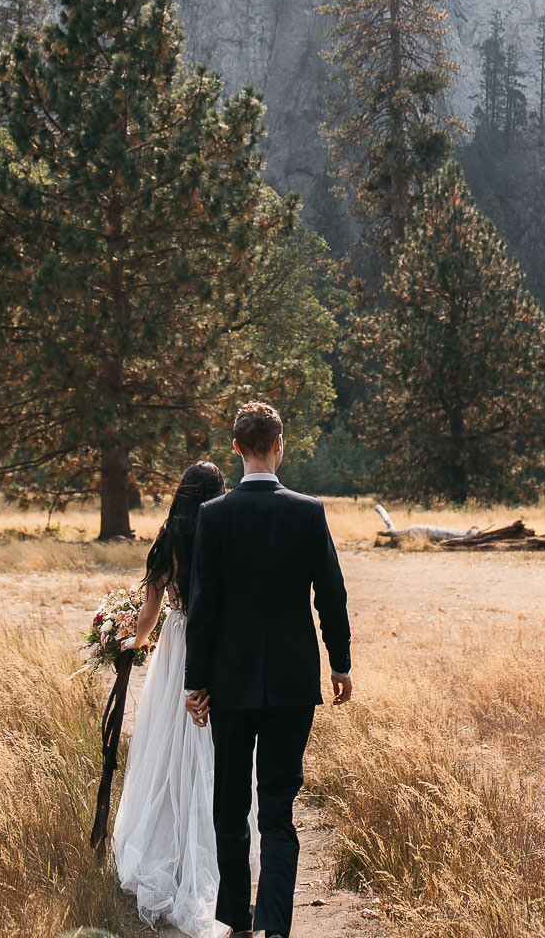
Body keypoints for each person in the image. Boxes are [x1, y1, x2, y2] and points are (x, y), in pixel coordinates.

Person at [184, 401, 352, 938]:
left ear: (236, 448)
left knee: (230, 806)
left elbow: (204, 605)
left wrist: (196, 680)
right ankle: (276, 925)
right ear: (281, 445)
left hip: (229, 687)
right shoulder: (308, 511)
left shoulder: (215, 515)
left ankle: (236, 920)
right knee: (278, 810)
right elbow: (331, 593)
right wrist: (341, 662)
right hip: (291, 684)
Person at [113, 459, 227, 937]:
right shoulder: (222, 534)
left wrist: (127, 643)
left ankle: (165, 849)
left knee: (164, 752)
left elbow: (149, 615)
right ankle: (204, 854)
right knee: (209, 754)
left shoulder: (167, 542)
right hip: (214, 649)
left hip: (175, 649)